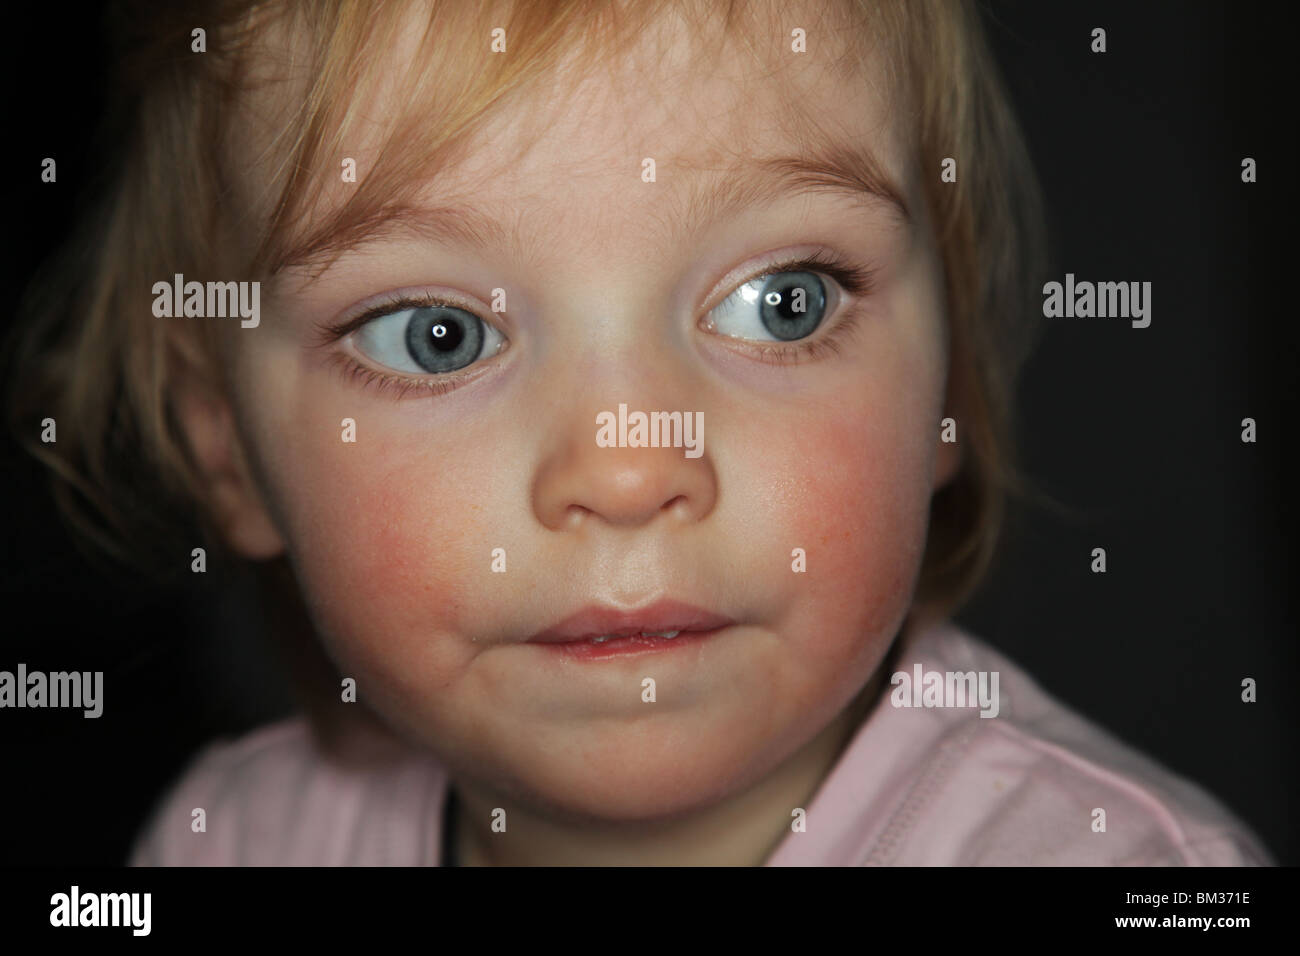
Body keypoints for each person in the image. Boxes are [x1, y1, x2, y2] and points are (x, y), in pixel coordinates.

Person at [12, 0, 1272, 865]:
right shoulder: (228, 841)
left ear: (948, 378)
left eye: (783, 302)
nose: (625, 466)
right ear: (224, 439)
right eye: (433, 333)